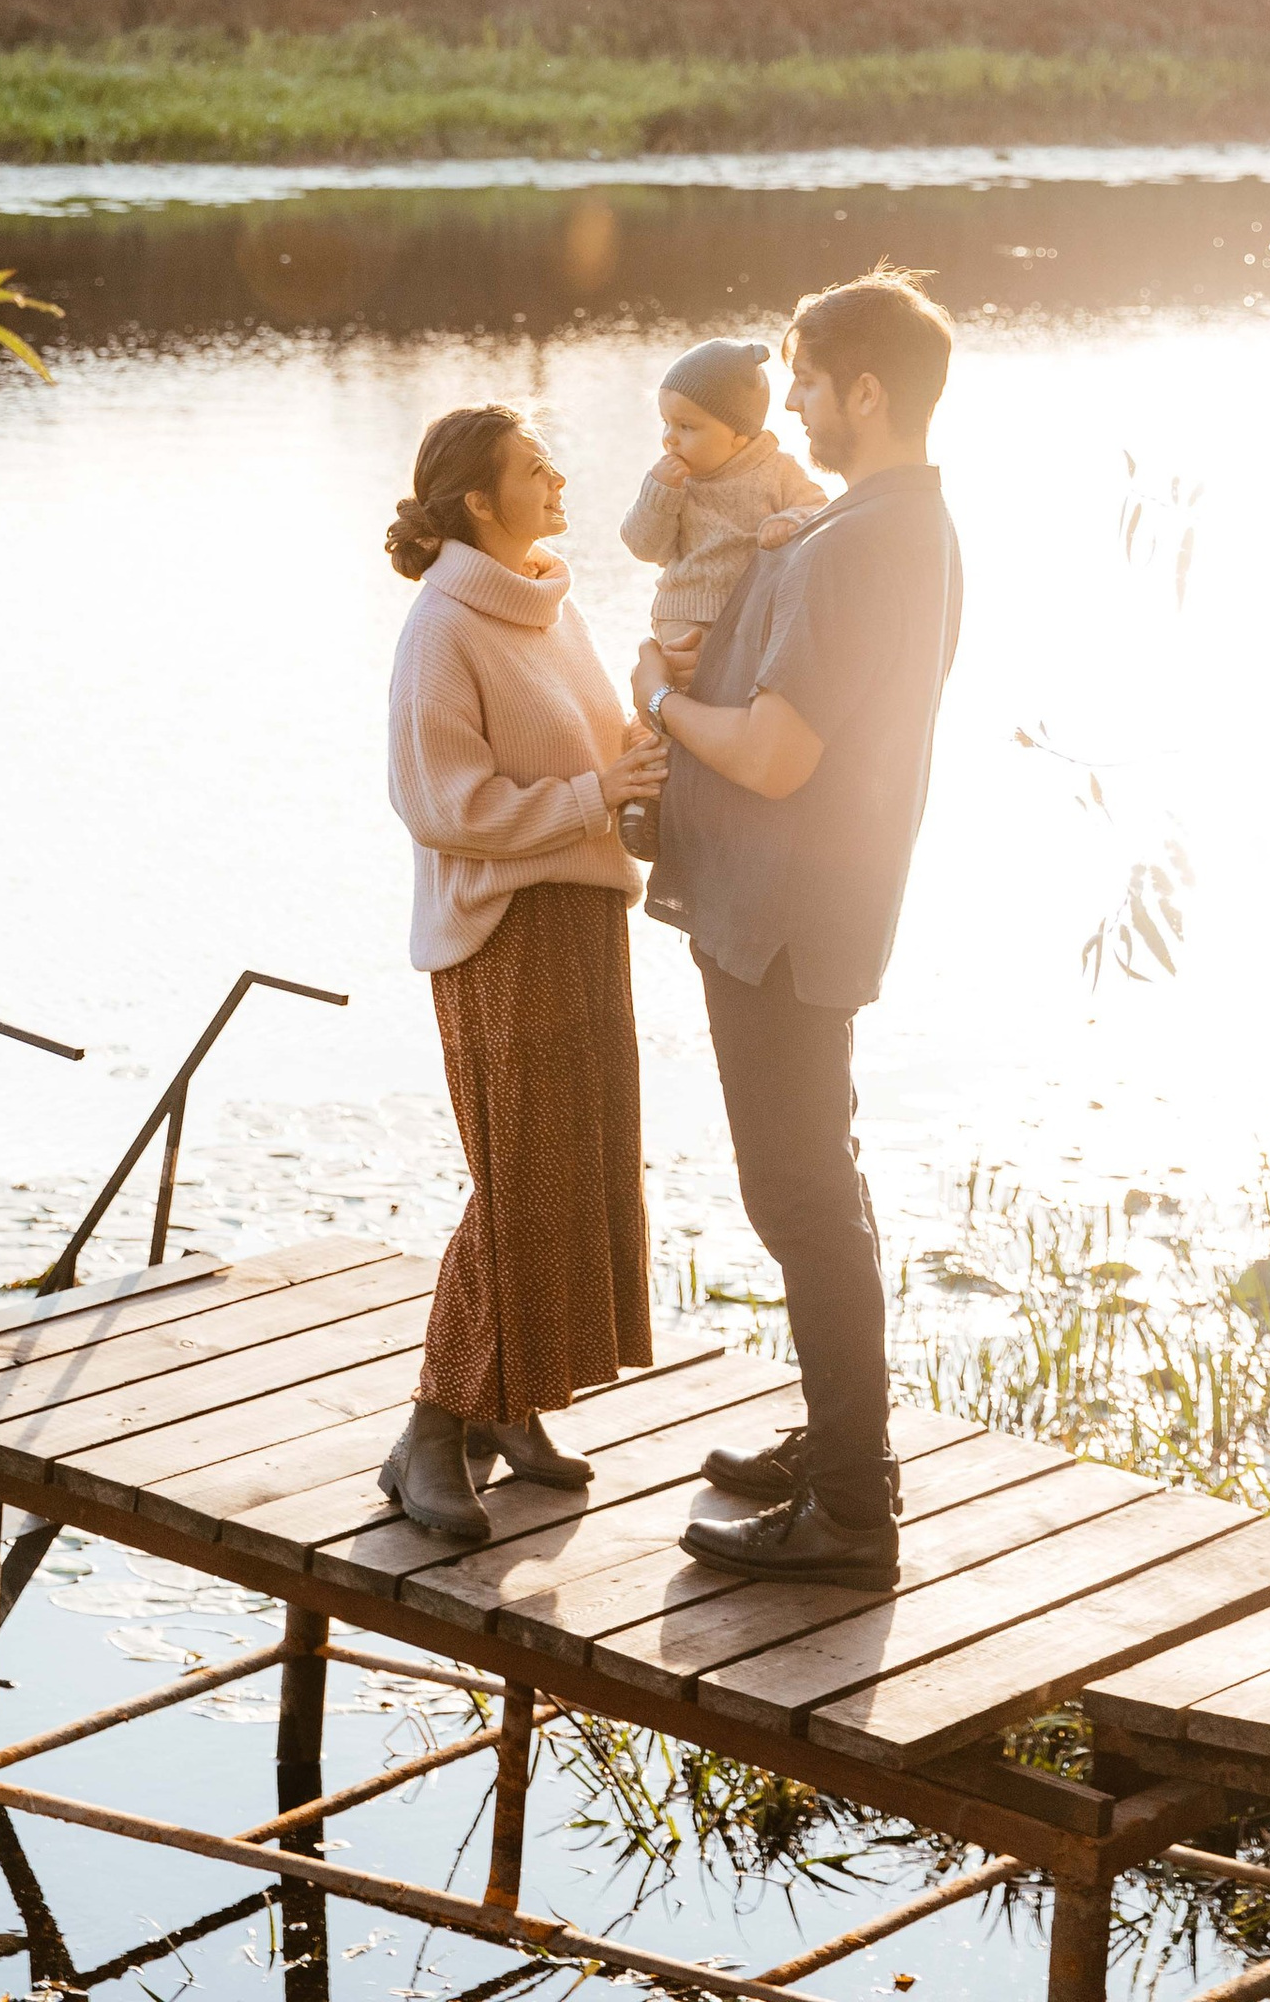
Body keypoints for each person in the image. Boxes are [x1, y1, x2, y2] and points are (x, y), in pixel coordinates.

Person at [629, 268, 963, 1583]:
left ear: (864, 393)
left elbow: (775, 756)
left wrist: (662, 702)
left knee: (799, 1195)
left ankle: (848, 1515)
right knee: (820, 1181)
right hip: (807, 904)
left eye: (811, 386)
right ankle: (839, 1444)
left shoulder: (859, 542)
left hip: (783, 917)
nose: (797, 410)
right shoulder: (896, 520)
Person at [380, 401, 668, 1544]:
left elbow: (589, 752)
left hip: (583, 914)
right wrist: (596, 794)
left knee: (576, 1169)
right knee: (518, 1182)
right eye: (535, 470)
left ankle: (509, 1402)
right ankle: (430, 1428)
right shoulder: (441, 629)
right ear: (476, 500)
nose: (558, 484)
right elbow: (441, 804)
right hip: (500, 934)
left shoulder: (551, 601)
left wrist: (638, 757)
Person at [618, 337, 828, 645]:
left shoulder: (776, 470)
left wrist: (791, 519)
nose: (669, 438)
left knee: (756, 663)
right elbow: (645, 548)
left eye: (686, 426)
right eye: (666, 423)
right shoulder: (672, 481)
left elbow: (819, 509)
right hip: (683, 614)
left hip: (753, 615)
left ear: (738, 434)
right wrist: (658, 496)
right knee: (688, 660)